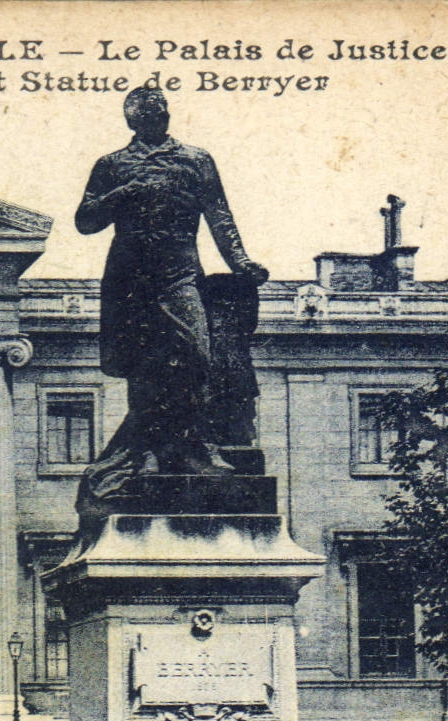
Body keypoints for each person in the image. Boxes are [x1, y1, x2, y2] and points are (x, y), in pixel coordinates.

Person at [74, 86, 269, 505]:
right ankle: (147, 452)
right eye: (147, 113)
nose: (157, 118)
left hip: (179, 270)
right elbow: (85, 221)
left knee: (198, 355)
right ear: (132, 120)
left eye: (162, 111)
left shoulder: (196, 160)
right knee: (143, 366)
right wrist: (119, 196)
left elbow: (220, 216)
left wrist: (241, 263)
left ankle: (199, 445)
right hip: (129, 275)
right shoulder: (112, 164)